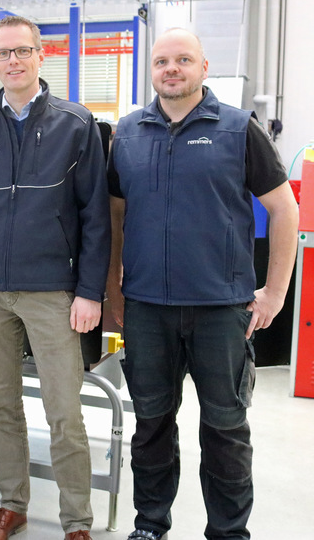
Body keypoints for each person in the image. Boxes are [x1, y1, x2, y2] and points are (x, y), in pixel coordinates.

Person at [107, 28, 299, 540]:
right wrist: (112, 291)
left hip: (221, 309)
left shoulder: (239, 129)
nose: (172, 69)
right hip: (148, 308)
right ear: (151, 70)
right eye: (162, 61)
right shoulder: (126, 133)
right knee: (150, 425)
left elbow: (284, 209)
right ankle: (150, 524)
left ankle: (229, 532)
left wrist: (275, 291)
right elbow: (114, 218)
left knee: (225, 430)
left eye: (183, 60)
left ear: (204, 66)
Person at [0, 15, 110, 540]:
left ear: (42, 56)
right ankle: (12, 504)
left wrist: (88, 291)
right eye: (2, 53)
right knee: (2, 407)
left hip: (52, 294)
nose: (12, 61)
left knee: (65, 413)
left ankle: (76, 521)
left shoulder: (76, 124)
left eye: (22, 51)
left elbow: (95, 218)